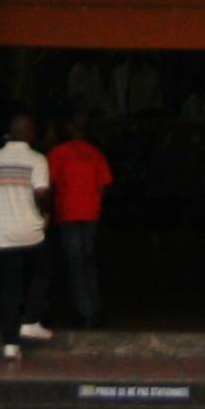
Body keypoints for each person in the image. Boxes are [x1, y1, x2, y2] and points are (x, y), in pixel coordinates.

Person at [0, 112, 56, 357]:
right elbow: (42, 192)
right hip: (29, 229)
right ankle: (31, 320)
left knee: (9, 286)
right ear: (29, 133)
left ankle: (10, 344)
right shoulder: (36, 159)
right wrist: (45, 214)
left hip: (2, 231)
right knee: (43, 269)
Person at [46, 115, 115, 329]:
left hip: (68, 212)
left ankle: (83, 311)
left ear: (69, 128)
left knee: (75, 263)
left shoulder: (58, 153)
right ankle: (92, 309)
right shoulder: (95, 154)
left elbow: (49, 183)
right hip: (90, 213)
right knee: (88, 262)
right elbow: (103, 187)